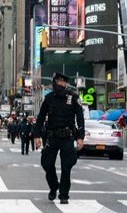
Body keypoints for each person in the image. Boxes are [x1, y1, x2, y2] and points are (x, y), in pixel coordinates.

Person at [33, 72, 85, 205]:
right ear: (54, 82)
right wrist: (37, 136)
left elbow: (80, 118)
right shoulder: (49, 98)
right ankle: (53, 186)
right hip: (51, 136)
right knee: (47, 164)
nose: (62, 84)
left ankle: (64, 195)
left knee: (66, 167)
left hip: (67, 137)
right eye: (59, 81)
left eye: (64, 82)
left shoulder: (73, 97)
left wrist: (80, 137)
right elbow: (40, 118)